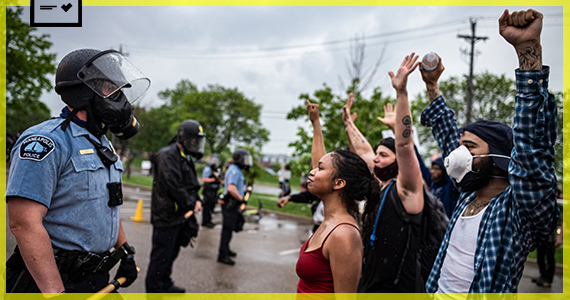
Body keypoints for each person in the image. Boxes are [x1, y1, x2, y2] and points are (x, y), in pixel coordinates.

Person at [420, 9, 559, 292]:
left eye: (469, 147)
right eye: (461, 146)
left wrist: (527, 50)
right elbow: (448, 134)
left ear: (498, 158)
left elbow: (533, 148)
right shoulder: (467, 194)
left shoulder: (519, 210)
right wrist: (432, 87)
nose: (458, 153)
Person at [6, 49, 147, 293]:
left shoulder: (102, 142)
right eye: (109, 87)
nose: (118, 96)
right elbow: (23, 223)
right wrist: (55, 293)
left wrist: (124, 252)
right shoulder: (46, 141)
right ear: (83, 90)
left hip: (95, 278)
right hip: (51, 279)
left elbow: (107, 205)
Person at [343, 54, 427, 292]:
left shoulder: (407, 190)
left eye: (383, 155)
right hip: (370, 281)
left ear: (399, 161)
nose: (376, 158)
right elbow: (361, 149)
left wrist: (401, 94)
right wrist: (348, 122)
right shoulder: (379, 183)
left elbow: (404, 145)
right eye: (376, 154)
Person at [295, 100, 363, 293]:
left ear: (339, 183)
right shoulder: (330, 220)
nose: (312, 172)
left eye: (320, 169)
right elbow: (322, 163)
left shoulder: (344, 235)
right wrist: (316, 124)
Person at [145, 119, 205, 293]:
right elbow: (173, 185)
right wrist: (191, 203)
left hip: (179, 216)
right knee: (160, 257)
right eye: (194, 140)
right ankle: (154, 292)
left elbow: (191, 184)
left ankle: (165, 282)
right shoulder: (167, 155)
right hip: (166, 216)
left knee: (172, 253)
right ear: (183, 138)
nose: (196, 144)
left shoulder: (184, 156)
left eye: (198, 141)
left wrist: (198, 199)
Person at [218, 148, 253, 265]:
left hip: (232, 203)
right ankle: (222, 254)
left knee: (230, 227)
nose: (246, 162)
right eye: (245, 159)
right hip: (230, 203)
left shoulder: (235, 169)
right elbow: (231, 188)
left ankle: (226, 249)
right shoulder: (235, 171)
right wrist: (241, 199)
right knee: (227, 229)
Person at [202, 153, 223, 228]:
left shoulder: (217, 170)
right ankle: (205, 221)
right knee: (207, 207)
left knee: (211, 206)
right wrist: (214, 179)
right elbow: (204, 180)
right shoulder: (208, 169)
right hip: (208, 191)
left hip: (214, 191)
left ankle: (209, 220)